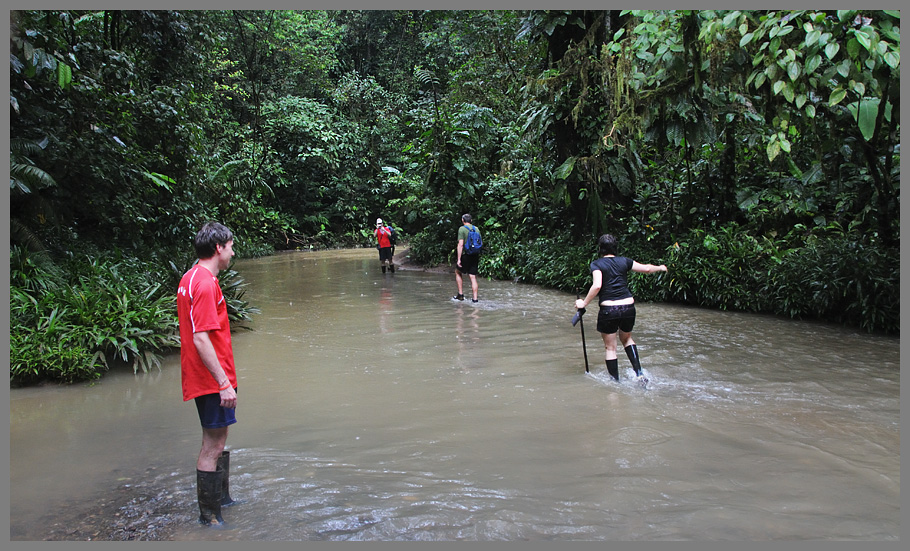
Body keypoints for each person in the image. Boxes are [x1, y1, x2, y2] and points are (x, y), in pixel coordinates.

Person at [176, 221, 240, 526]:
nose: (232, 253)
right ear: (218, 248)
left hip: (206, 377)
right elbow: (201, 337)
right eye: (230, 246)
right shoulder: (204, 283)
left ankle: (222, 501)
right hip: (211, 379)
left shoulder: (190, 277)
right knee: (213, 443)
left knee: (218, 437)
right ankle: (210, 518)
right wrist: (224, 383)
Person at [574, 234, 667, 382]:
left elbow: (597, 285)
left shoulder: (597, 264)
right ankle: (639, 373)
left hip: (609, 310)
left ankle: (615, 382)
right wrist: (661, 268)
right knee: (627, 338)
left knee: (610, 348)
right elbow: (647, 269)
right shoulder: (625, 261)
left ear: (600, 249)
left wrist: (583, 303)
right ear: (615, 248)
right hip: (628, 307)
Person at [453, 213, 480, 303]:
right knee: (473, 277)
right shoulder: (476, 229)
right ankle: (475, 299)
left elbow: (460, 244)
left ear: (463, 220)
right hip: (475, 255)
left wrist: (459, 259)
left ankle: (460, 295)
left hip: (466, 255)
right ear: (471, 221)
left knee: (457, 271)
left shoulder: (462, 229)